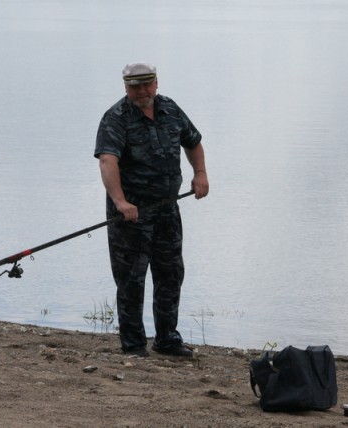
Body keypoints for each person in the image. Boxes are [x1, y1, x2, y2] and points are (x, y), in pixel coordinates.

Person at [94, 62, 209, 357]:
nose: (142, 91)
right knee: (132, 278)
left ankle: (167, 339)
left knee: (171, 273)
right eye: (135, 87)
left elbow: (193, 142)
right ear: (126, 88)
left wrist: (200, 173)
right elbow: (108, 161)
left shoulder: (170, 109)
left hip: (168, 210)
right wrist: (120, 202)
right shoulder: (115, 118)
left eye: (147, 85)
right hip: (130, 214)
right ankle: (133, 344)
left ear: (156, 83)